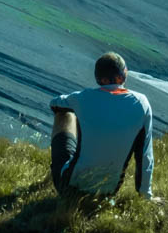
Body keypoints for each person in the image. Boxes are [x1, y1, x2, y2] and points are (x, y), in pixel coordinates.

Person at [49, 51, 159, 202]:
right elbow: (145, 155)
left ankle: (57, 173)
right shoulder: (142, 103)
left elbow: (55, 103)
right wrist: (146, 195)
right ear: (123, 75)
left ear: (98, 78)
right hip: (107, 192)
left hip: (69, 187)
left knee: (65, 114)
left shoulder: (82, 98)